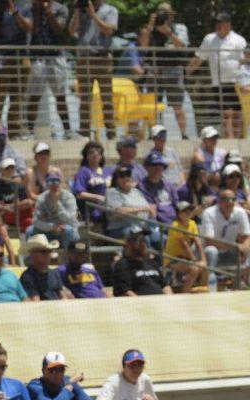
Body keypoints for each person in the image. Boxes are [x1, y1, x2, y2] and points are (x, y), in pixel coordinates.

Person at [187, 13, 247, 139]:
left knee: (237, 115)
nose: (218, 26)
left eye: (221, 23)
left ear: (228, 25)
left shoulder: (239, 40)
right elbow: (199, 57)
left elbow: (245, 61)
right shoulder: (209, 39)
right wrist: (187, 71)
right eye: (217, 23)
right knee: (227, 114)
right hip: (219, 82)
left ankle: (237, 140)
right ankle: (230, 142)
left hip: (236, 82)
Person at [140, 4, 191, 140]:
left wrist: (168, 32)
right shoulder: (151, 29)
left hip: (174, 69)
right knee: (153, 104)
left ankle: (184, 135)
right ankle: (152, 134)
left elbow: (182, 45)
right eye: (160, 13)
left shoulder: (179, 28)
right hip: (154, 68)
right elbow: (144, 46)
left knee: (177, 105)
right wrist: (151, 26)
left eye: (166, 13)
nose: (163, 16)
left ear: (171, 15)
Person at [69, 0, 118, 139]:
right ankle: (84, 132)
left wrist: (93, 15)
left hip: (102, 58)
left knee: (107, 99)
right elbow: (72, 31)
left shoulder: (110, 10)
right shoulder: (81, 10)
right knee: (84, 100)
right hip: (84, 59)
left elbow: (109, 30)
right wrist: (78, 11)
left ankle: (111, 133)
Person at [25, 0, 73, 137]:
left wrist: (48, 13)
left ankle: (67, 130)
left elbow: (58, 28)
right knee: (34, 96)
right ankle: (29, 131)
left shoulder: (61, 8)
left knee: (60, 96)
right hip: (37, 57)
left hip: (56, 56)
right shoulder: (31, 9)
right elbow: (32, 29)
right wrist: (37, 13)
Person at [0, 0, 32, 134]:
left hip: (21, 57)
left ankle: (14, 131)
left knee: (17, 96)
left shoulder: (24, 8)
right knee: (0, 94)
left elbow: (28, 27)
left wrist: (15, 11)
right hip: (1, 57)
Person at [199, 188, 250, 279]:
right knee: (211, 250)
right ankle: (210, 283)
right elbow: (210, 241)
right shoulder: (209, 213)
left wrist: (244, 248)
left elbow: (247, 236)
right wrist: (235, 246)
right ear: (219, 201)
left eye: (233, 199)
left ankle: (243, 282)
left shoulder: (240, 212)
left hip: (230, 252)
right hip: (211, 253)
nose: (230, 202)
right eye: (226, 199)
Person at [109, 227, 170, 296]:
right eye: (138, 240)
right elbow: (125, 291)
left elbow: (165, 286)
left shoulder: (150, 262)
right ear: (129, 243)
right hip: (141, 304)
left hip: (162, 302)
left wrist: (170, 300)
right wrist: (141, 303)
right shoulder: (122, 265)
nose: (143, 244)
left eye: (144, 240)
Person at [105, 166, 158, 244]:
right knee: (142, 240)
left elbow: (150, 209)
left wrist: (152, 213)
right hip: (123, 228)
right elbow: (118, 212)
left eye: (128, 174)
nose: (126, 178)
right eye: (122, 176)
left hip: (143, 227)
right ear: (116, 180)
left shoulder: (136, 192)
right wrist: (143, 209)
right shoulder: (112, 192)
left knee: (161, 239)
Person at [163, 200, 206, 291]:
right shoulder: (175, 225)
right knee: (195, 269)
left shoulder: (192, 223)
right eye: (185, 211)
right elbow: (184, 245)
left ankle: (203, 291)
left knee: (205, 268)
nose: (188, 212)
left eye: (190, 210)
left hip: (186, 258)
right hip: (173, 259)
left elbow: (198, 242)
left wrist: (203, 260)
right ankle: (184, 294)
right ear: (178, 214)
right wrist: (194, 260)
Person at [31, 168, 79, 246]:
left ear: (61, 182)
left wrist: (57, 203)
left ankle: (70, 256)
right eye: (50, 182)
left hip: (66, 231)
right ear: (47, 183)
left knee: (68, 229)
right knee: (30, 231)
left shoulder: (69, 197)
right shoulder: (42, 198)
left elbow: (69, 220)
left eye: (57, 181)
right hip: (48, 231)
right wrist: (52, 227)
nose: (54, 185)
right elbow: (35, 221)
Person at [72, 141, 113, 226]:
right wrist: (100, 198)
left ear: (101, 155)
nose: (95, 154)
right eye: (91, 152)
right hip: (94, 211)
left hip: (111, 207)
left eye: (98, 151)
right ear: (86, 156)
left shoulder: (108, 171)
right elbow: (80, 194)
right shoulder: (83, 172)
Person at [19, 234, 70, 300]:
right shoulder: (27, 276)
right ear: (33, 254)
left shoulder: (55, 273)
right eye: (44, 251)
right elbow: (35, 300)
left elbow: (62, 295)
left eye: (49, 251)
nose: (48, 255)